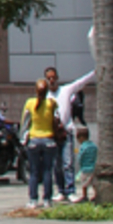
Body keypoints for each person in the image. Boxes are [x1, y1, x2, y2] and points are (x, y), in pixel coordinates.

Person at [44, 63, 96, 201]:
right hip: (52, 135)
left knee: (68, 163)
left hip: (66, 132)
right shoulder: (45, 96)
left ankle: (71, 190)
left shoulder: (66, 90)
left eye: (54, 77)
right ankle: (61, 191)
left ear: (58, 78)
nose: (51, 80)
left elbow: (81, 83)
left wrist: (95, 73)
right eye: (49, 78)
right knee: (57, 164)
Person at [21, 78, 59, 207]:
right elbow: (57, 120)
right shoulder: (52, 103)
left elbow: (25, 123)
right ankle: (47, 200)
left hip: (34, 140)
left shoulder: (30, 103)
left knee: (34, 172)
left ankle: (33, 200)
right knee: (48, 170)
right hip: (49, 140)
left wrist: (22, 139)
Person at [74, 124, 98, 201]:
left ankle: (85, 196)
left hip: (85, 168)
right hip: (93, 168)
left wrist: (79, 163)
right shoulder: (94, 145)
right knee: (93, 183)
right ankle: (96, 195)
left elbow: (80, 157)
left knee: (84, 184)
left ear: (81, 138)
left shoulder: (83, 147)